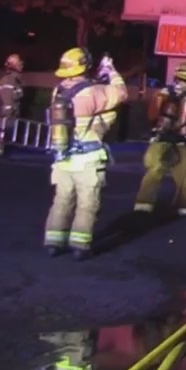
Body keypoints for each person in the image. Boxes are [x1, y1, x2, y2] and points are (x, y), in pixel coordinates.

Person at [43, 48, 127, 260]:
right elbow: (121, 93)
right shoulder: (92, 92)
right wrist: (111, 71)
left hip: (63, 159)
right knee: (87, 204)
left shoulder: (58, 90)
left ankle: (53, 242)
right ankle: (80, 246)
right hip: (87, 159)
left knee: (62, 200)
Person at [135, 61, 186, 216]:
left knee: (153, 173)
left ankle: (143, 206)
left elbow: (152, 116)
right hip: (180, 144)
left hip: (159, 141)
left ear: (176, 74)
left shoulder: (160, 93)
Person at [0, 53, 25, 157]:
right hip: (6, 113)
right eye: (19, 64)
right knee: (1, 131)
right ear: (13, 65)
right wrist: (8, 110)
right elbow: (7, 97)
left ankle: (0, 152)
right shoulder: (9, 79)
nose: (21, 66)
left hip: (10, 112)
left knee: (6, 132)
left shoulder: (15, 79)